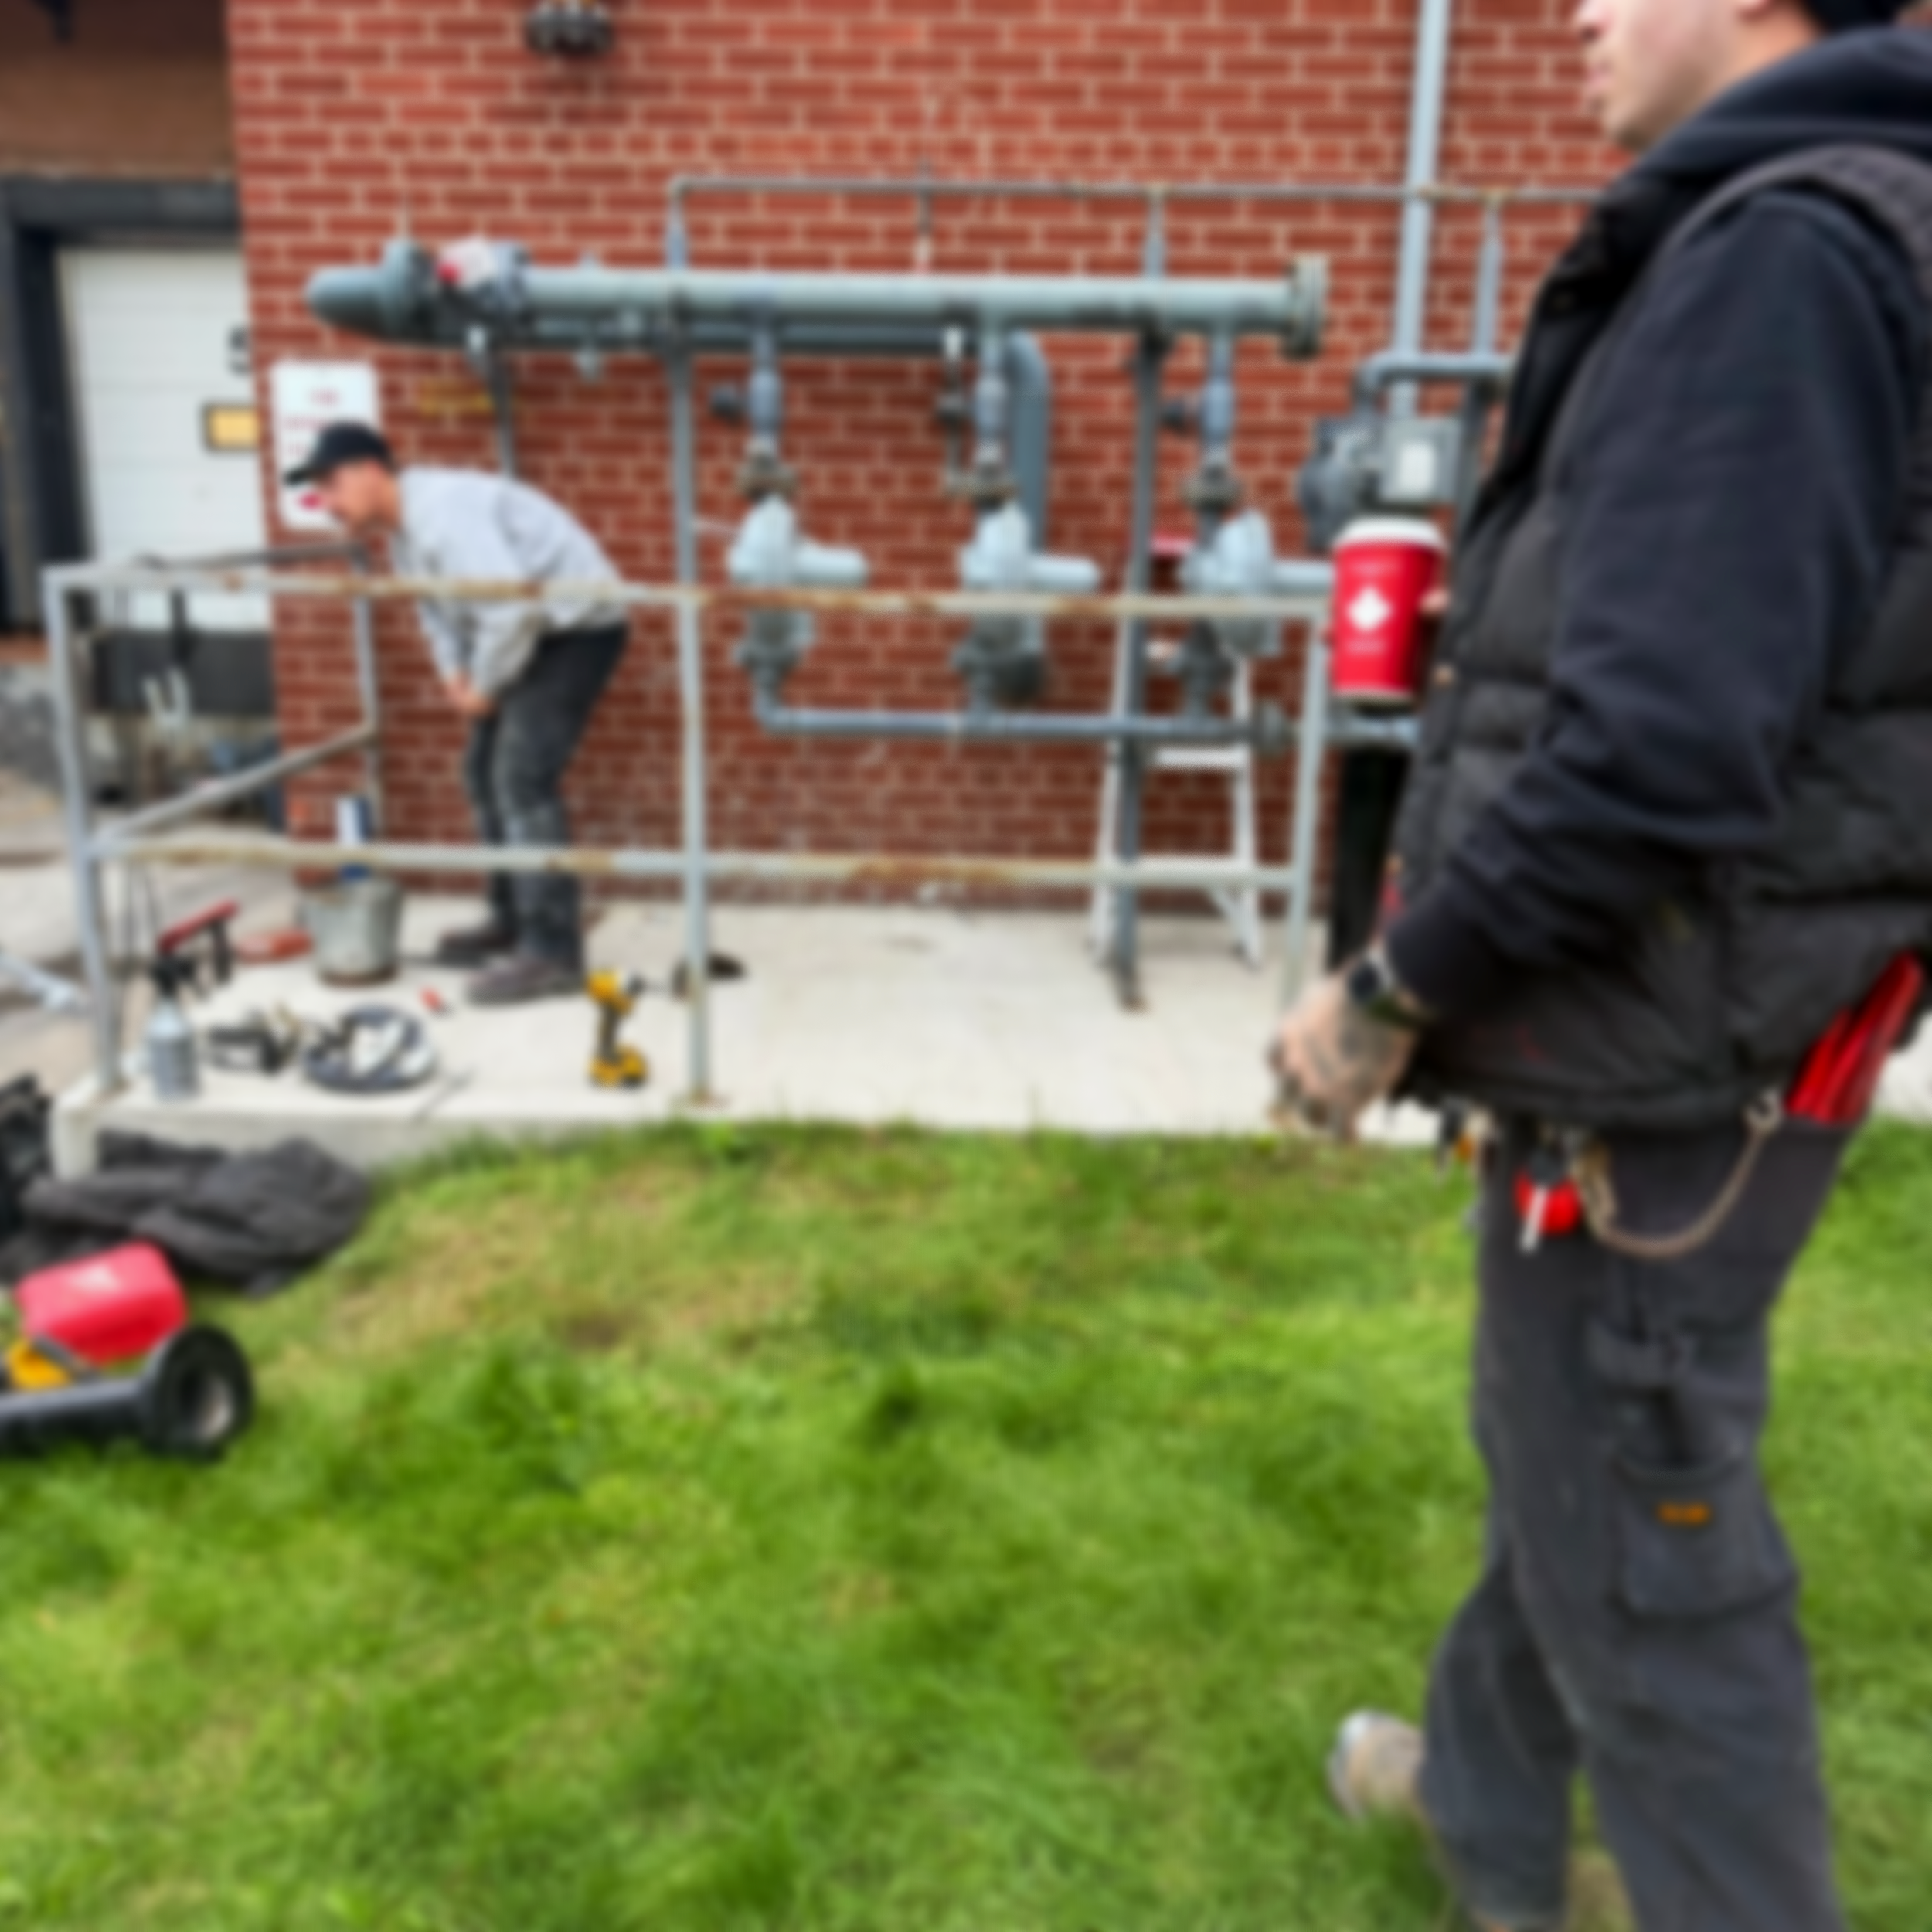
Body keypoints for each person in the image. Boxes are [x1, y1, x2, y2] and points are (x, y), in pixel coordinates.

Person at [1270, 3, 1932, 1928]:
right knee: (1561, 1448)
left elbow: (1653, 752)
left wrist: (1380, 995)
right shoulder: (1820, 216)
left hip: (1656, 1068)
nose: (1571, 11)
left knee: (1653, 1551)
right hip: (1697, 1029)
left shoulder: (1789, 250)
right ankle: (1479, 1808)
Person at [284, 423, 629, 1005]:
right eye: (316, 489)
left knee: (521, 780)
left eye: (332, 483)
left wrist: (487, 687)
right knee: (482, 773)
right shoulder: (401, 536)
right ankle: (513, 918)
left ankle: (553, 951)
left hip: (576, 631)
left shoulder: (442, 513)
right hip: (525, 632)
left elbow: (510, 610)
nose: (325, 502)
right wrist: (455, 674)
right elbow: (437, 613)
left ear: (373, 470)